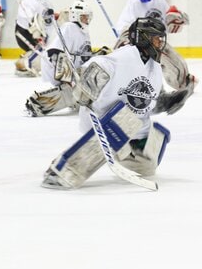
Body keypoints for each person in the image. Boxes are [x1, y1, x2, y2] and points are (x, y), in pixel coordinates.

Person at [41, 17, 191, 190]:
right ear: (143, 37)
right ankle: (63, 170)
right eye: (156, 38)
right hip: (103, 121)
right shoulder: (122, 57)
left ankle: (128, 155)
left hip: (132, 128)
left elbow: (149, 102)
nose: (159, 44)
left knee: (149, 161)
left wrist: (167, 101)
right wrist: (88, 81)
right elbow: (99, 64)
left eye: (160, 39)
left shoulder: (155, 68)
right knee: (125, 121)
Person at [25, 0, 110, 117]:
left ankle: (75, 98)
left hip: (70, 68)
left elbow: (84, 56)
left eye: (88, 17)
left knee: (84, 85)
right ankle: (37, 104)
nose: (87, 19)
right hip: (57, 66)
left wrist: (98, 54)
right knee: (69, 91)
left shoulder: (84, 32)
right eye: (84, 17)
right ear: (76, 16)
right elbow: (55, 51)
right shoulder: (69, 27)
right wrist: (66, 79)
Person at [115, 0, 197, 91]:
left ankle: (184, 83)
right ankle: (119, 85)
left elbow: (166, 23)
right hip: (138, 42)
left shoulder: (160, 1)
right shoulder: (132, 3)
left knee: (172, 60)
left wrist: (176, 20)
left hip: (156, 41)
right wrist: (127, 36)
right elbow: (124, 25)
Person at [14, 0, 54, 76]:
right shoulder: (28, 1)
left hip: (40, 34)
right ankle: (24, 65)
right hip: (24, 33)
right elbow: (27, 19)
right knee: (40, 51)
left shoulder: (47, 4)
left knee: (46, 52)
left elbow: (49, 22)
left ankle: (25, 58)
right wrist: (36, 30)